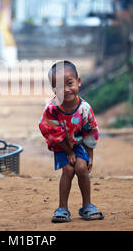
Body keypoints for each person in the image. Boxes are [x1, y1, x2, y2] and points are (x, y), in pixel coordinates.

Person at [39, 61, 104, 222]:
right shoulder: (52, 110)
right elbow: (53, 133)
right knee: (68, 170)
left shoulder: (85, 109)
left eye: (70, 83)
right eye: (60, 87)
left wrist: (90, 156)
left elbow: (90, 131)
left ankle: (87, 205)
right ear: (53, 89)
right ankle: (62, 208)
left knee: (82, 168)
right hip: (61, 146)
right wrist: (68, 152)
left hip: (79, 144)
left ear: (78, 82)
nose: (66, 90)